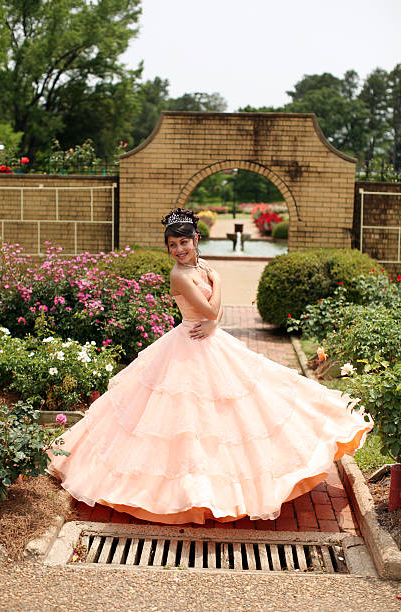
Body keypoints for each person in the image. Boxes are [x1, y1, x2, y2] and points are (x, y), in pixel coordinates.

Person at [47, 208, 373, 524]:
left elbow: (213, 315)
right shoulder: (180, 275)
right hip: (189, 343)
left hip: (208, 343)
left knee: (238, 407)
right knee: (180, 419)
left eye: (183, 243)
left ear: (195, 239)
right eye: (172, 245)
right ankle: (179, 492)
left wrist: (214, 296)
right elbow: (211, 313)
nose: (178, 250)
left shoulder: (201, 266)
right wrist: (218, 284)